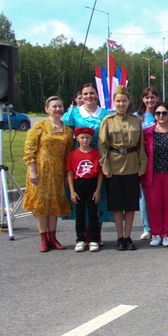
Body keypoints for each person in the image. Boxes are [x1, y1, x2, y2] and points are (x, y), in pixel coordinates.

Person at [62, 83, 113, 243]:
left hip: (99, 158)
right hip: (80, 161)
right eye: (85, 94)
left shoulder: (105, 113)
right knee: (81, 199)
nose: (89, 96)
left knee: (99, 198)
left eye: (92, 93)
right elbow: (63, 129)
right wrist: (68, 112)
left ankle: (95, 234)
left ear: (97, 95)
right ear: (81, 97)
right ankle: (82, 235)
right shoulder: (74, 113)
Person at [98, 86, 147, 251]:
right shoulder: (108, 121)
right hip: (114, 165)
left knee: (131, 204)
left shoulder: (136, 120)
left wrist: (143, 163)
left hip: (132, 165)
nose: (121, 103)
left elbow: (140, 145)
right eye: (118, 101)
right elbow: (103, 146)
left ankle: (128, 236)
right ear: (114, 101)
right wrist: (105, 166)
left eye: (124, 100)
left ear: (129, 101)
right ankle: (120, 237)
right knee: (117, 205)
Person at [25, 96, 74, 252]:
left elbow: (68, 155)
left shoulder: (67, 130)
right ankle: (43, 238)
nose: (58, 109)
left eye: (60, 106)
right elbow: (29, 150)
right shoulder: (39, 126)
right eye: (54, 106)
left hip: (58, 172)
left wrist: (67, 175)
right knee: (41, 205)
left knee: (54, 205)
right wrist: (32, 170)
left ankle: (53, 237)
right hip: (40, 170)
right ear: (47, 109)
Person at [141, 103, 168, 247]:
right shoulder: (146, 132)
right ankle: (156, 233)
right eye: (158, 113)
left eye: (164, 113)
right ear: (154, 115)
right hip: (153, 174)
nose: (161, 116)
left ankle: (167, 234)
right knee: (153, 205)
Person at [66, 127, 102, 252]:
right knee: (80, 214)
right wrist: (72, 191)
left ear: (92, 138)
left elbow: (99, 173)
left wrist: (98, 190)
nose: (85, 140)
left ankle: (93, 239)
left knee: (93, 213)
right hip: (78, 184)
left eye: (87, 137)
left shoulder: (96, 154)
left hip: (92, 183)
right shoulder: (73, 154)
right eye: (82, 137)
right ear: (77, 138)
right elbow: (70, 173)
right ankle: (80, 239)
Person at [135, 87, 159, 241]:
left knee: (159, 196)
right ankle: (147, 228)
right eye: (147, 97)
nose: (150, 100)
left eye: (152, 97)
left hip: (161, 160)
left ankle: (160, 226)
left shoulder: (162, 114)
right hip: (143, 161)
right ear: (142, 99)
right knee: (144, 196)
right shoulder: (137, 117)